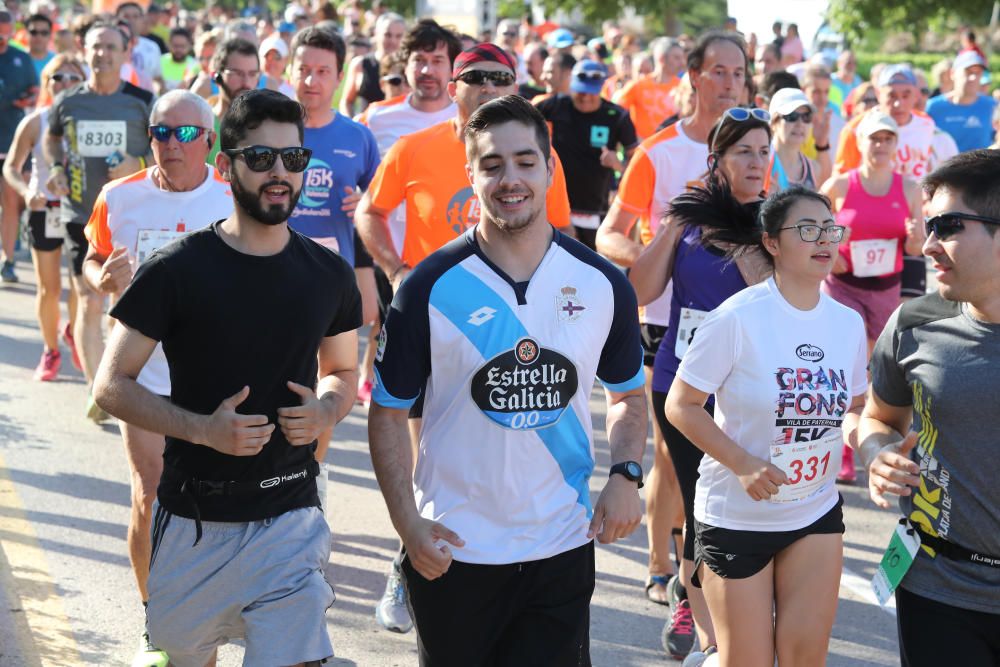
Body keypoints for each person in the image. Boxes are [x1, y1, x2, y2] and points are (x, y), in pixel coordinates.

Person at [368, 93, 647, 666]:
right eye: (491, 165)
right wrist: (407, 524)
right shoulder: (427, 285)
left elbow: (628, 397)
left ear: (550, 168)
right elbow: (388, 412)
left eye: (525, 161)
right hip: (453, 551)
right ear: (470, 173)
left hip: (561, 548)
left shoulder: (602, 282)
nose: (510, 179)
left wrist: (626, 473)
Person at [92, 88, 361, 667]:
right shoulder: (176, 270)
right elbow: (111, 385)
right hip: (193, 526)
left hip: (291, 521)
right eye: (261, 159)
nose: (280, 174)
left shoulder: (328, 274)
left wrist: (327, 409)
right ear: (226, 166)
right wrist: (201, 431)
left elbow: (342, 370)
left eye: (294, 159)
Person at [665, 186, 867, 667]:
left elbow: (854, 405)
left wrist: (876, 448)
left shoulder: (847, 324)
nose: (823, 239)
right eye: (807, 229)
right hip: (737, 517)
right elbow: (681, 405)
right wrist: (743, 463)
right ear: (772, 243)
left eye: (829, 229)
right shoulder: (736, 318)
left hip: (813, 511)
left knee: (804, 658)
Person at [595, 33, 746, 644]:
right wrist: (661, 261)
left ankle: (705, 579)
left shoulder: (756, 151)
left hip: (734, 325)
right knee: (671, 454)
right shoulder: (658, 151)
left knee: (718, 458)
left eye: (738, 72)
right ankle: (665, 567)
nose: (729, 82)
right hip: (666, 320)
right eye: (717, 71)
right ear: (691, 77)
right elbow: (610, 233)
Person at [82, 89, 233, 665]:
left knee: (215, 502)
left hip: (215, 375)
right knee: (150, 495)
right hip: (142, 372)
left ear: (209, 141)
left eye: (186, 134)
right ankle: (156, 621)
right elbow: (93, 257)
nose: (172, 144)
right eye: (161, 132)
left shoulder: (229, 198)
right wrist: (99, 277)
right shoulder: (118, 198)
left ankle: (207, 614)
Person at [628, 106, 772, 662]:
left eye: (763, 151)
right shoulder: (688, 219)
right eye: (744, 151)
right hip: (681, 383)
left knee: (736, 505)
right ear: (716, 161)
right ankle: (705, 627)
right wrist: (675, 221)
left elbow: (776, 295)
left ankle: (729, 608)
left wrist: (740, 239)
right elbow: (641, 290)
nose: (757, 162)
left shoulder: (774, 219)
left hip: (748, 388)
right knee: (699, 503)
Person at [859, 149, 1000, 666]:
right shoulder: (913, 322)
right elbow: (877, 418)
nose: (928, 245)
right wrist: (877, 452)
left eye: (948, 227)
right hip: (937, 587)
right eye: (927, 227)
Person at [44, 21, 153, 421]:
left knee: (122, 303)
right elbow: (52, 137)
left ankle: (119, 377)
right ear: (83, 49)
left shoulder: (142, 100)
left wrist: (136, 163)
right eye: (96, 46)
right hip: (80, 214)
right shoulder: (67, 101)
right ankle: (100, 390)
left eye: (111, 46)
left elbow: (166, 148)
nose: (103, 53)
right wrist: (57, 165)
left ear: (126, 52)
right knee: (89, 299)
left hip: (131, 216)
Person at [819, 110, 923, 484]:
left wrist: (913, 235)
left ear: (896, 145)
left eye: (887, 139)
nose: (880, 145)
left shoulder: (909, 189)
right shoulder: (840, 185)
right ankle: (842, 452)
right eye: (874, 139)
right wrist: (833, 249)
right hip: (843, 287)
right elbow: (810, 230)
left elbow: (917, 245)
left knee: (876, 372)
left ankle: (872, 440)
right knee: (848, 365)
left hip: (885, 290)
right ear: (860, 143)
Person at [286, 26, 380, 351]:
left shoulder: (359, 136)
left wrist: (365, 202)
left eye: (323, 72)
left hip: (333, 275)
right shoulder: (269, 130)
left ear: (340, 76)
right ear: (290, 71)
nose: (312, 81)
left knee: (333, 375)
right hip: (274, 270)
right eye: (304, 70)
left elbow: (382, 202)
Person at [2, 53, 84, 379]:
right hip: (44, 209)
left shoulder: (92, 120)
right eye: (58, 78)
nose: (65, 84)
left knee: (82, 287)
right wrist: (25, 193)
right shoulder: (36, 120)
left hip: (81, 212)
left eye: (72, 78)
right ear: (47, 84)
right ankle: (50, 351)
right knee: (48, 288)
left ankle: (75, 332)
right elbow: (11, 166)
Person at [536, 59, 637, 250]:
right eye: (580, 91)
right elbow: (524, 121)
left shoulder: (616, 116)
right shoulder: (557, 105)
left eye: (591, 92)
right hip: (558, 203)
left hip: (594, 207)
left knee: (589, 264)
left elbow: (635, 157)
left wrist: (619, 165)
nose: (585, 97)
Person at [0, 9, 40, 283]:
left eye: (5, 31)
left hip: (10, 140)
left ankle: (8, 259)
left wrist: (25, 101)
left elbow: (35, 90)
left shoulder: (20, 58)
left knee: (11, 203)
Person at [613, 37, 685, 140]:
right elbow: (616, 113)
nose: (682, 63)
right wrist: (630, 138)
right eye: (677, 58)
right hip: (643, 150)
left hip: (673, 148)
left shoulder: (683, 86)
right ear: (662, 59)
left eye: (682, 57)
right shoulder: (637, 85)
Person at [926, 51, 997, 152]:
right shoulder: (933, 107)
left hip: (982, 167)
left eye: (978, 73)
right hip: (946, 167)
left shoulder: (992, 106)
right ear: (953, 74)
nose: (973, 77)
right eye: (968, 72)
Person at [206, 38, 261, 164]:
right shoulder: (201, 125)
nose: (246, 83)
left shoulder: (266, 125)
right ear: (216, 76)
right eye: (237, 73)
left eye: (252, 74)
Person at [340, 12, 405, 116]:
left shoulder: (408, 68)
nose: (393, 41)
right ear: (376, 33)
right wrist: (352, 126)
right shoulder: (360, 64)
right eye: (387, 35)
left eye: (398, 36)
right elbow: (347, 101)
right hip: (366, 129)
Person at [767, 88, 821, 192]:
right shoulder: (761, 164)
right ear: (774, 123)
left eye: (806, 116)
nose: (800, 124)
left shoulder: (814, 169)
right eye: (791, 116)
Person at [115, 2, 164, 93]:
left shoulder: (152, 47)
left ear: (142, 20)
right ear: (117, 19)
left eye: (136, 17)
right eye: (126, 16)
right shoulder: (110, 45)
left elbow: (158, 78)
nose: (131, 20)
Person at [830, 50, 861, 114]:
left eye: (854, 63)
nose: (852, 66)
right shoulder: (830, 81)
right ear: (838, 64)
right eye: (848, 63)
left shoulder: (857, 81)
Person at [24, 12, 54, 77]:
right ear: (26, 33)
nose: (39, 37)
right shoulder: (17, 60)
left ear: (50, 35)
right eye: (33, 32)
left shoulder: (57, 62)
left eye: (44, 33)